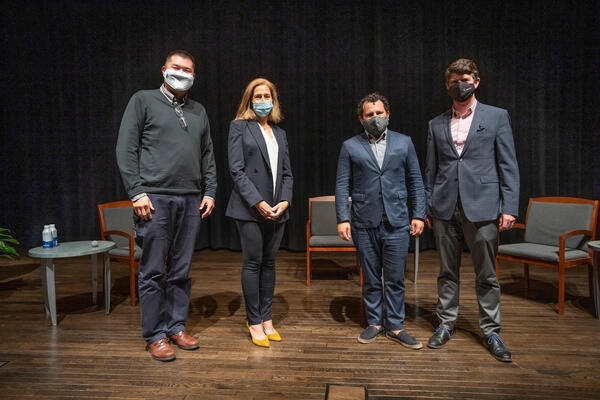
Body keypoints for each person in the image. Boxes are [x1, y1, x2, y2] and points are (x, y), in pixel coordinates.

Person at [116, 50, 217, 362]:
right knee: (153, 271)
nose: (181, 72)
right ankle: (155, 335)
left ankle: (176, 326)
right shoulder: (143, 100)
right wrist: (136, 192)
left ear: (194, 76)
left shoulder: (199, 110)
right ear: (163, 70)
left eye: (187, 69)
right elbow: (126, 148)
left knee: (181, 270)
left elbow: (207, 155)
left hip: (190, 199)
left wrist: (210, 190)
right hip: (154, 199)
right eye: (176, 67)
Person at [424, 58, 519, 362]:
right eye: (453, 80)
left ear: (476, 81)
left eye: (464, 78)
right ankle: (446, 323)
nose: (459, 84)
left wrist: (509, 207)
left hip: (484, 206)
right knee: (447, 272)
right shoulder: (436, 123)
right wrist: (427, 206)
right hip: (444, 207)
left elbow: (508, 164)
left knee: (487, 274)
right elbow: (431, 168)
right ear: (447, 85)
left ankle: (491, 330)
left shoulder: (496, 117)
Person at [335, 93, 425, 349]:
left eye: (379, 113)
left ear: (388, 114)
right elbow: (342, 185)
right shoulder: (350, 146)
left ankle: (396, 326)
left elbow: (416, 181)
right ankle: (374, 322)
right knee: (371, 277)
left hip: (397, 222)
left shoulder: (404, 142)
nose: (375, 118)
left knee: (395, 278)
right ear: (361, 118)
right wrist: (343, 218)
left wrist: (418, 213)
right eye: (369, 115)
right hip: (364, 222)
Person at [225, 78, 293, 348]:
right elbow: (236, 170)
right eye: (258, 96)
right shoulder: (239, 127)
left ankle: (267, 318)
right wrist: (257, 202)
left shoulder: (280, 133)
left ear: (273, 100)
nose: (263, 100)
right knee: (253, 263)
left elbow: (288, 173)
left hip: (278, 208)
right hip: (250, 208)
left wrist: (286, 200)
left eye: (267, 96)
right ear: (249, 100)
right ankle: (254, 321)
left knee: (270, 263)